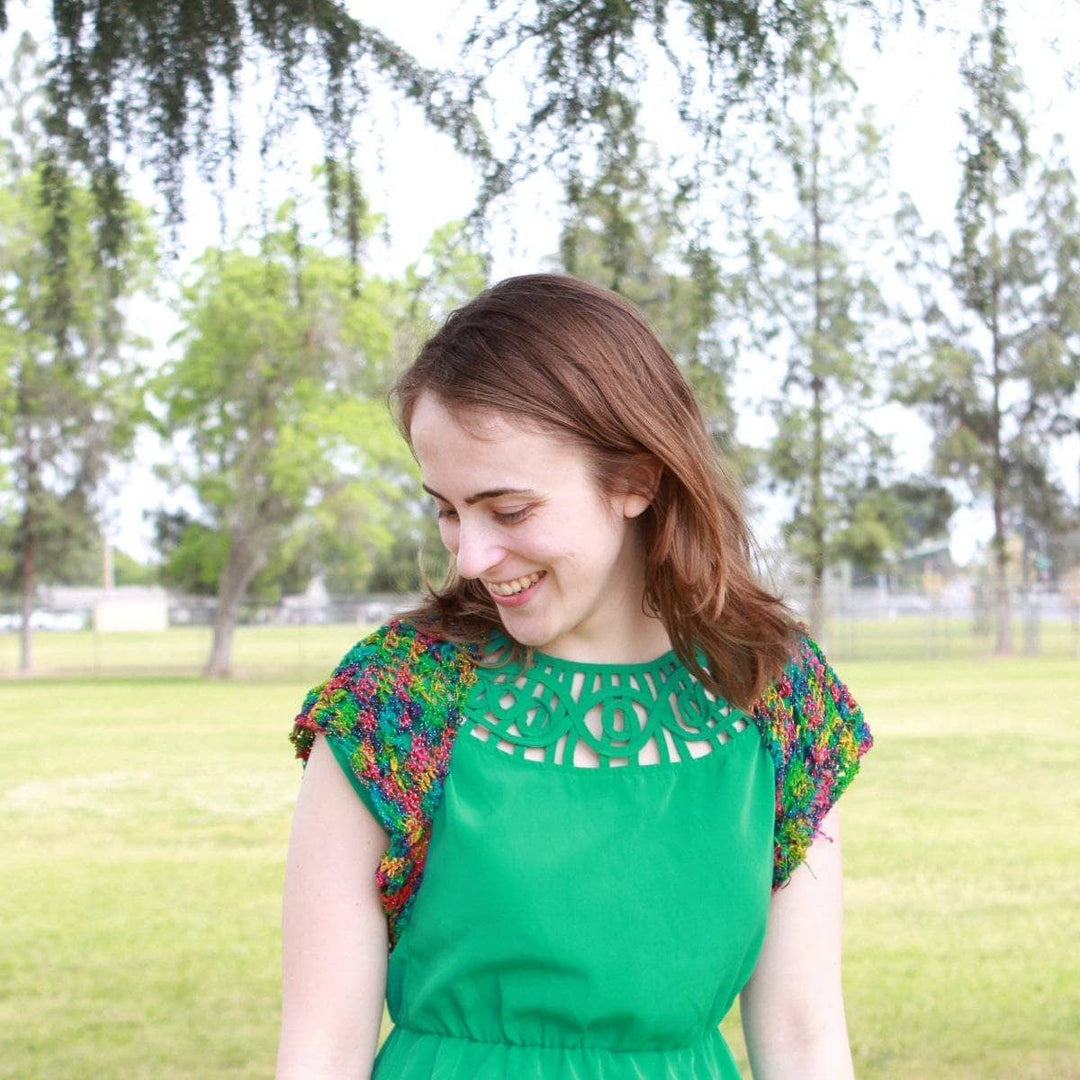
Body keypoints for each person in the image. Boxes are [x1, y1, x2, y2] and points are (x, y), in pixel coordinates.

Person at [276, 274, 873, 1080]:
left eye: (509, 511)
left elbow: (803, 1033)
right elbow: (321, 1046)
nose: (471, 555)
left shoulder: (774, 692)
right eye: (448, 509)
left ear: (635, 478)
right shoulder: (397, 699)